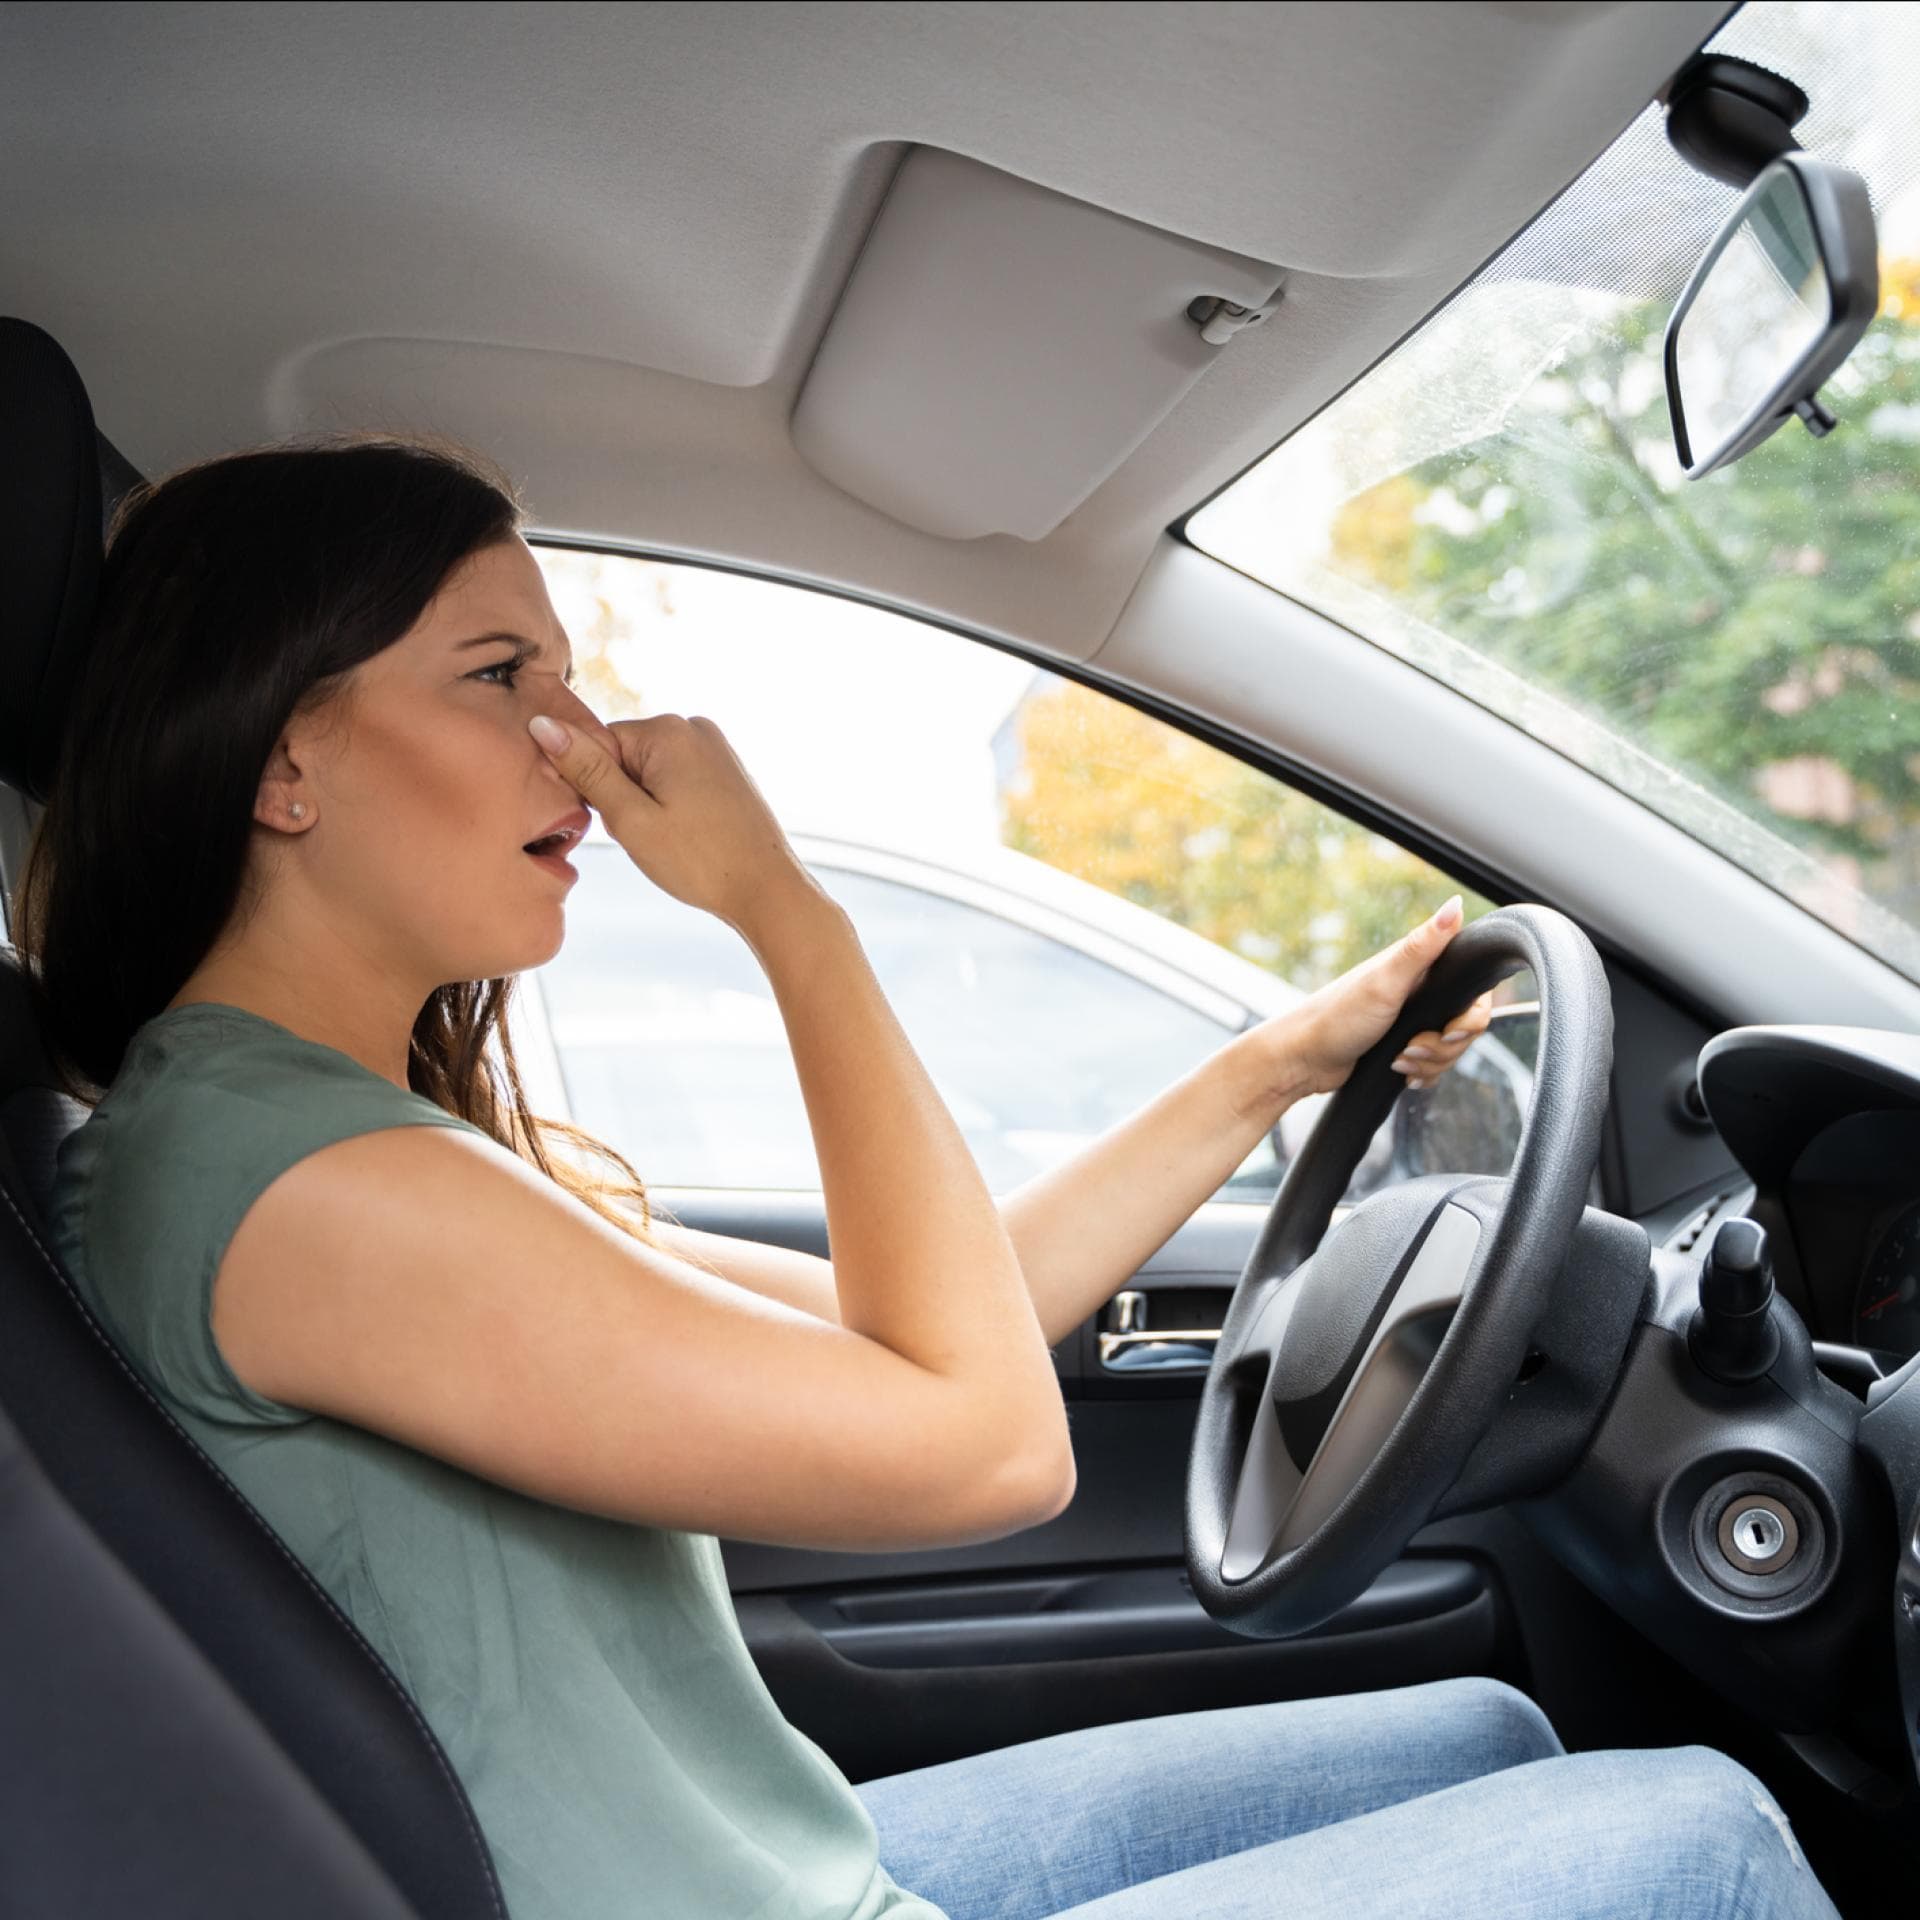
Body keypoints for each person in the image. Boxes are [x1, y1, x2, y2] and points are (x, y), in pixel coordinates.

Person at [16, 435, 1839, 1920]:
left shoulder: (305, 1139)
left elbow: (960, 1320)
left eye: (569, 676)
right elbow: (991, 1444)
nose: (584, 741)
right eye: (501, 676)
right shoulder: (313, 1195)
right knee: (1701, 1835)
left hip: (785, 1880)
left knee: (1491, 1733)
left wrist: (1277, 1065)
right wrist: (782, 914)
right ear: (286, 761)